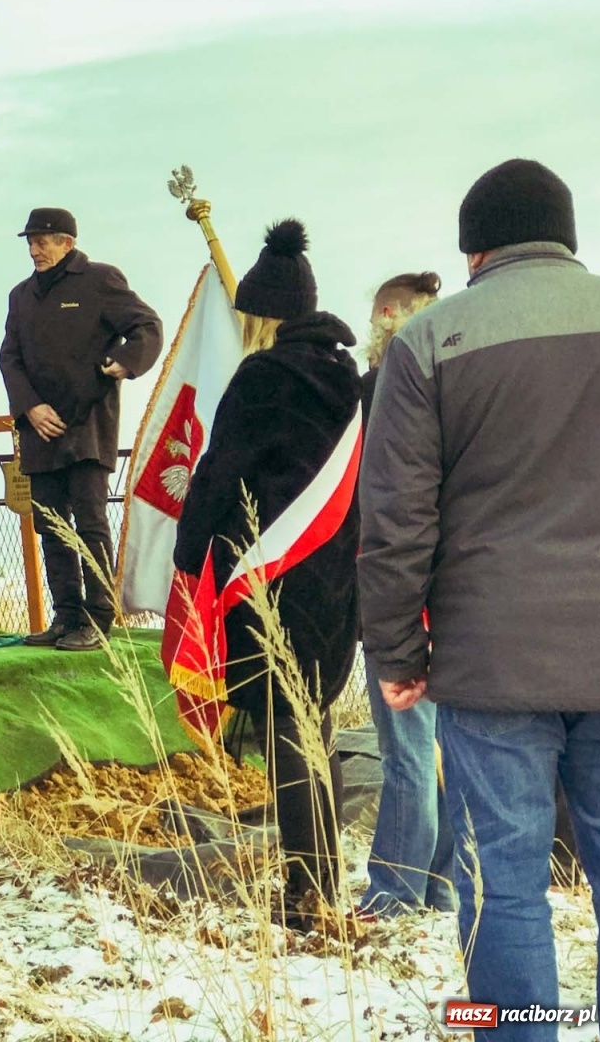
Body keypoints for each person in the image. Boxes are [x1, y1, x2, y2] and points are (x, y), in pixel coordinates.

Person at [359, 159, 600, 1036]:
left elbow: (394, 521)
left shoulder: (429, 342)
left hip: (490, 660)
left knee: (503, 883)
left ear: (473, 250)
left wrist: (395, 654)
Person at [173, 219, 361, 929]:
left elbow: (219, 477)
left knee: (286, 731)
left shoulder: (265, 376)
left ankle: (305, 894)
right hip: (337, 579)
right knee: (315, 727)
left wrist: (189, 563)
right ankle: (324, 880)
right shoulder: (347, 377)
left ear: (263, 318)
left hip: (273, 578)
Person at [0, 207, 162, 651]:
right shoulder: (21, 295)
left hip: (88, 423)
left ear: (67, 243)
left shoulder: (100, 280)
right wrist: (30, 407)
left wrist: (126, 363)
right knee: (49, 526)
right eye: (30, 241)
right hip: (39, 428)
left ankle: (99, 619)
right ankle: (66, 616)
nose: (35, 249)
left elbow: (147, 327)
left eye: (44, 240)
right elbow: (9, 358)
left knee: (90, 524)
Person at [353, 271, 458, 919]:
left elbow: (387, 512)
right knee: (443, 751)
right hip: (458, 599)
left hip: (405, 601)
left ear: (387, 317)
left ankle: (395, 892)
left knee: (408, 755)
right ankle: (441, 887)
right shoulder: (459, 386)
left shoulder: (385, 393)